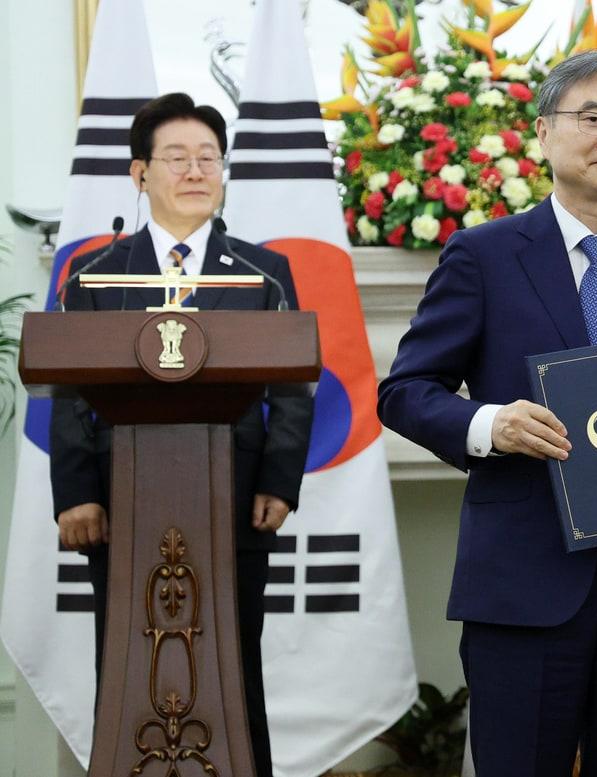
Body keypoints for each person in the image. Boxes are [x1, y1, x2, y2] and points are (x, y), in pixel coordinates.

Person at [377, 49, 597, 776]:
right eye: (593, 116)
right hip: (524, 586)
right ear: (543, 132)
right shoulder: (484, 255)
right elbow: (406, 390)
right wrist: (491, 425)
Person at [49, 92, 311, 777]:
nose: (196, 171)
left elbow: (293, 386)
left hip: (235, 500)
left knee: (234, 663)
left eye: (208, 158)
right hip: (120, 505)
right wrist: (77, 493)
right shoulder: (96, 274)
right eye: (177, 158)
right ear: (140, 174)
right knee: (127, 663)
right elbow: (71, 391)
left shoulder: (261, 271)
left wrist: (279, 482)